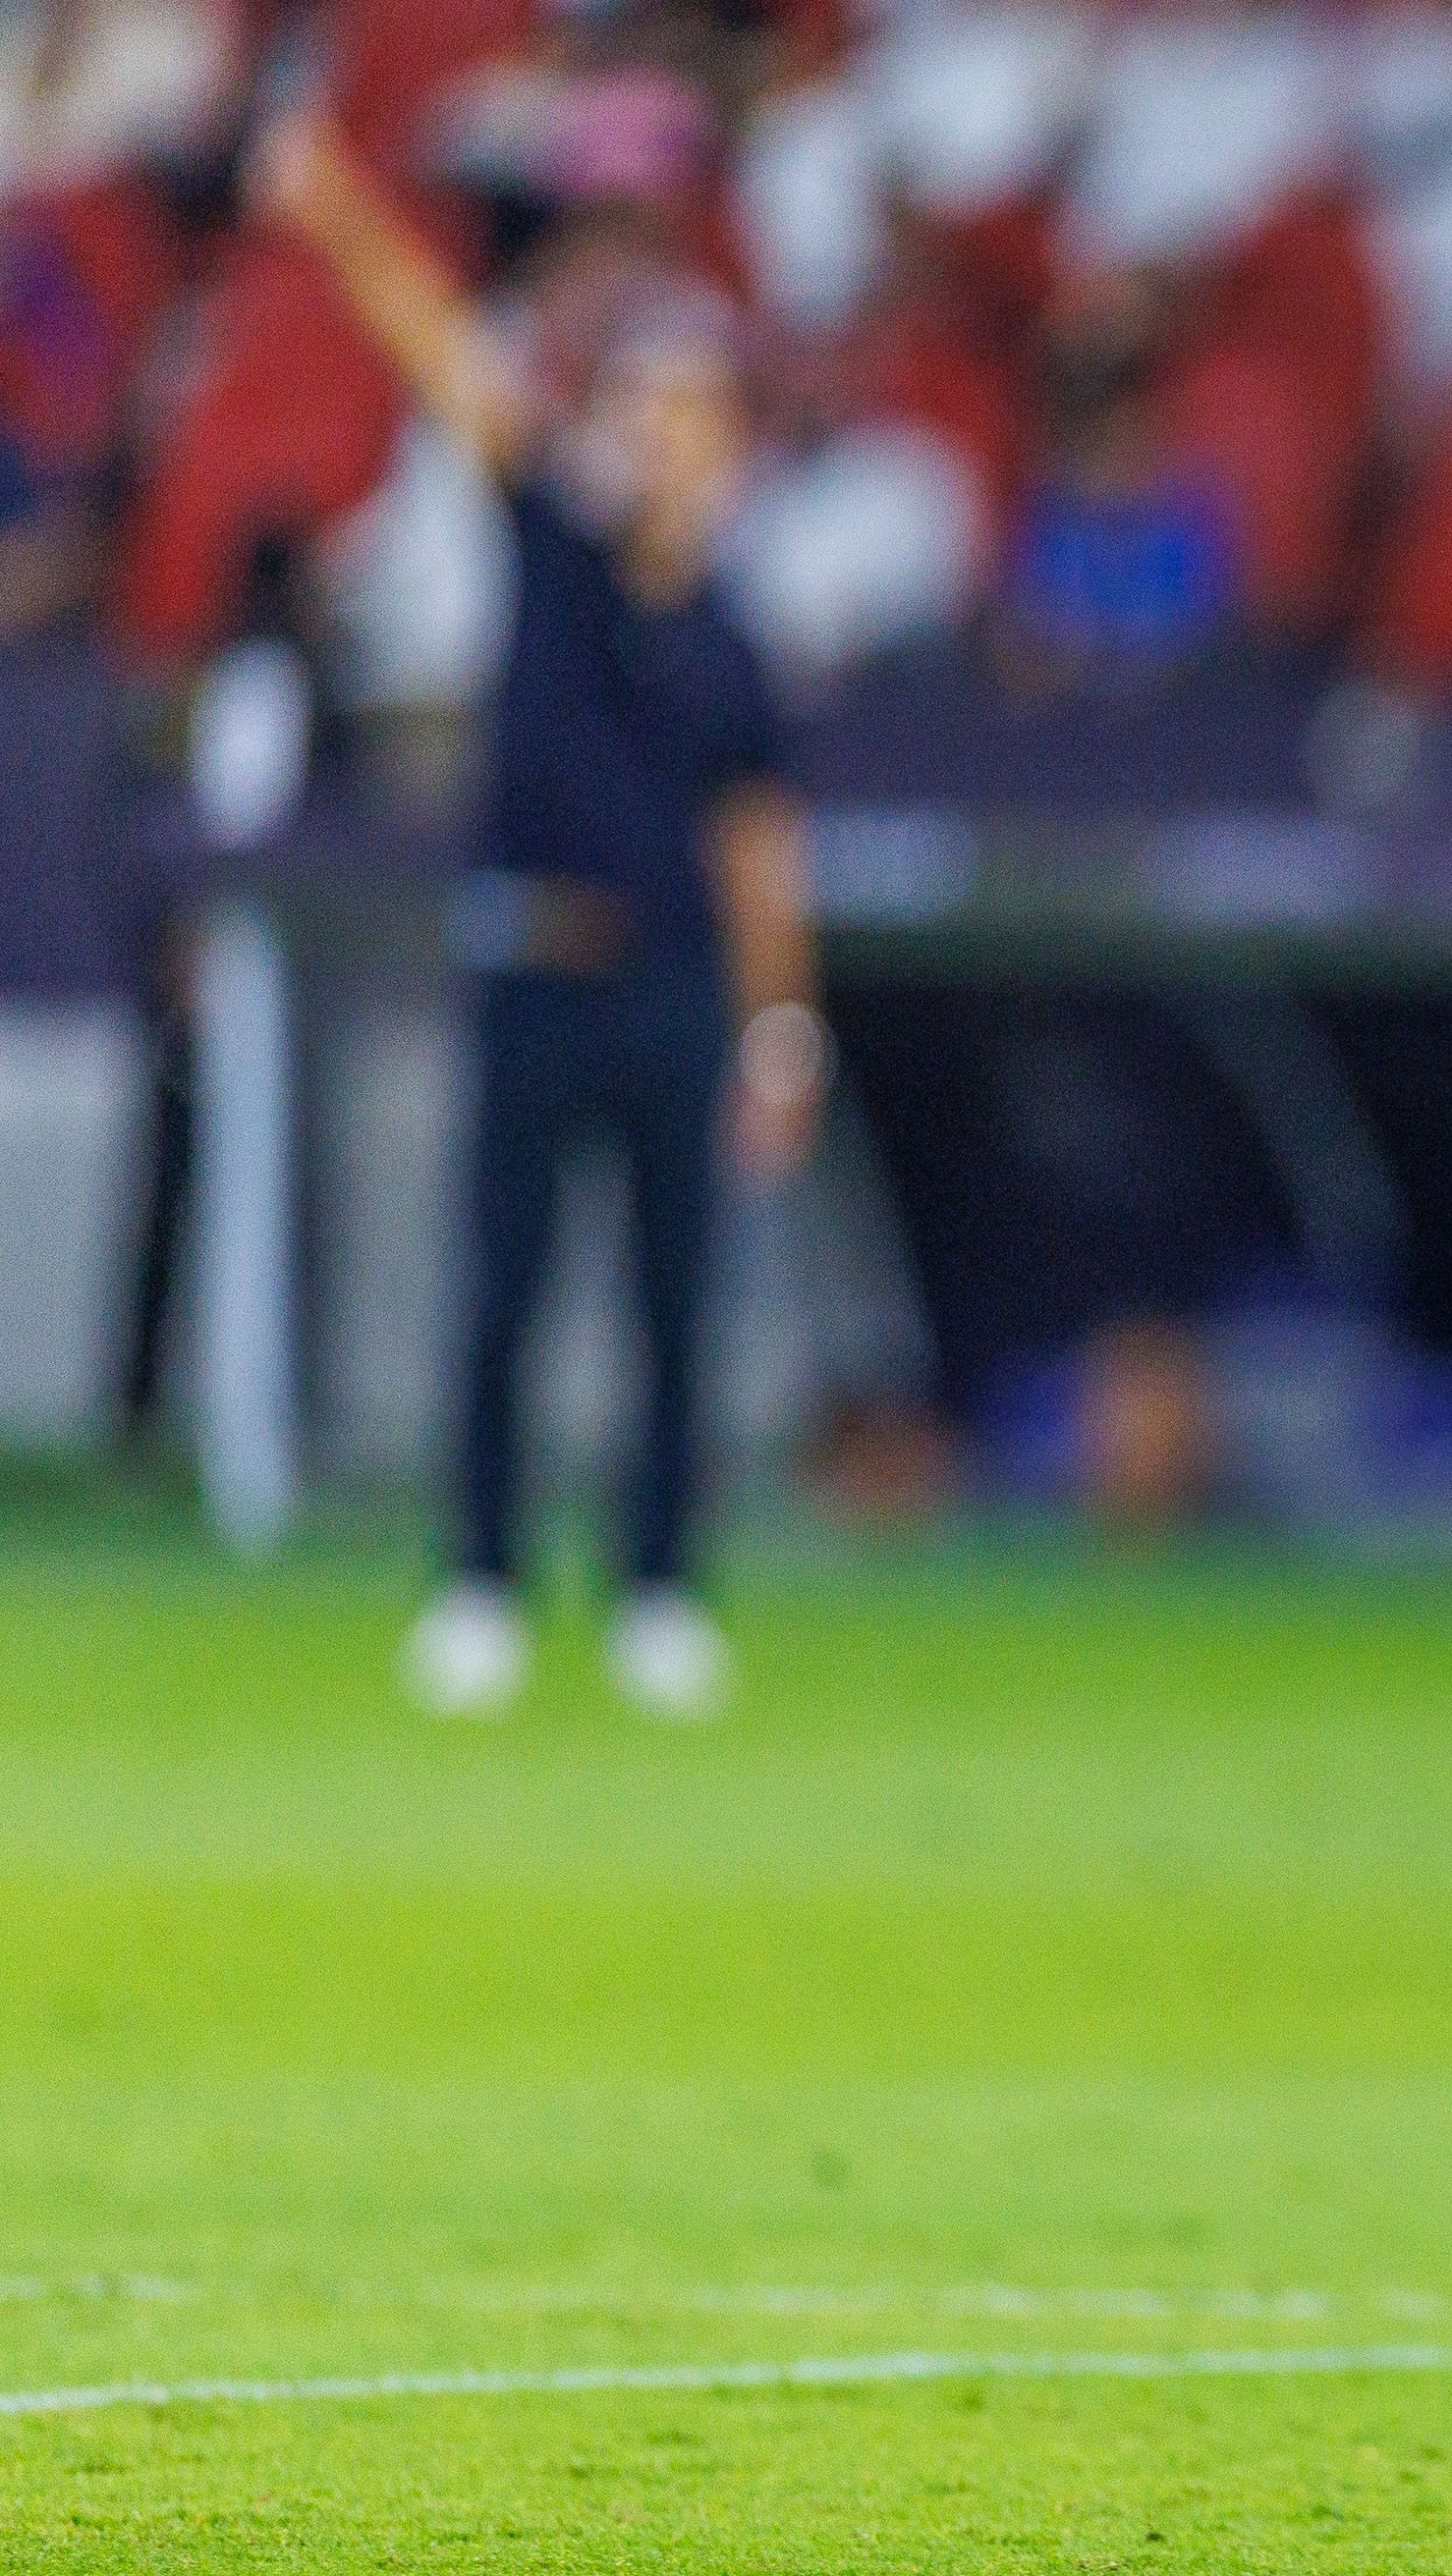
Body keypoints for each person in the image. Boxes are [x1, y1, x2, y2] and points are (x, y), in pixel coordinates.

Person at [253, 108, 826, 1720]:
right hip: (536, 966)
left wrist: (782, 1033)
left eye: (688, 415)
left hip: (673, 992)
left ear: (725, 443)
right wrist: (339, 210)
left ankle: (656, 1588)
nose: (659, 440)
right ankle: (484, 1580)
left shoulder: (731, 638)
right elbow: (449, 362)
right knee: (501, 1298)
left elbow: (760, 854)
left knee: (670, 1307)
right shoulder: (559, 553)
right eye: (640, 410)